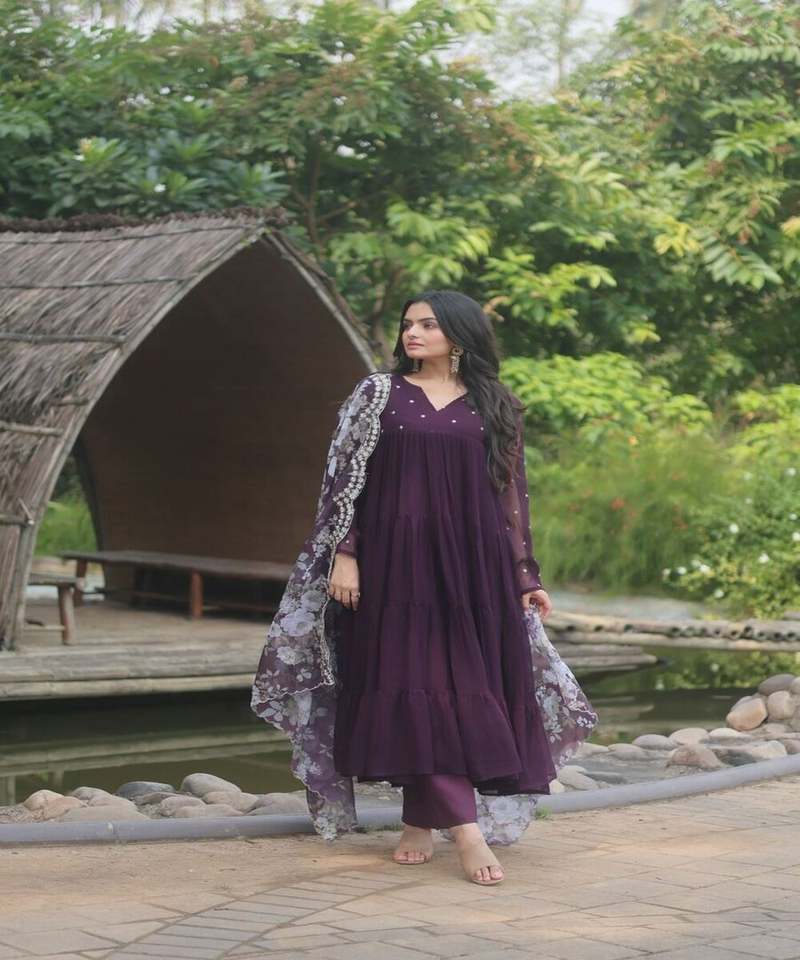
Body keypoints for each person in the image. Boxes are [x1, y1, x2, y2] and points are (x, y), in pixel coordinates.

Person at [250, 289, 599, 886]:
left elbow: (511, 494)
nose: (412, 333)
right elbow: (342, 482)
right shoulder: (378, 395)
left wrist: (524, 574)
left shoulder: (496, 403)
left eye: (428, 324)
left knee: (460, 689)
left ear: (459, 335)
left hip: (472, 569)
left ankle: (419, 818)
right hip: (392, 565)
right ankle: (467, 832)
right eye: (408, 324)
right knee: (411, 682)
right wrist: (345, 555)